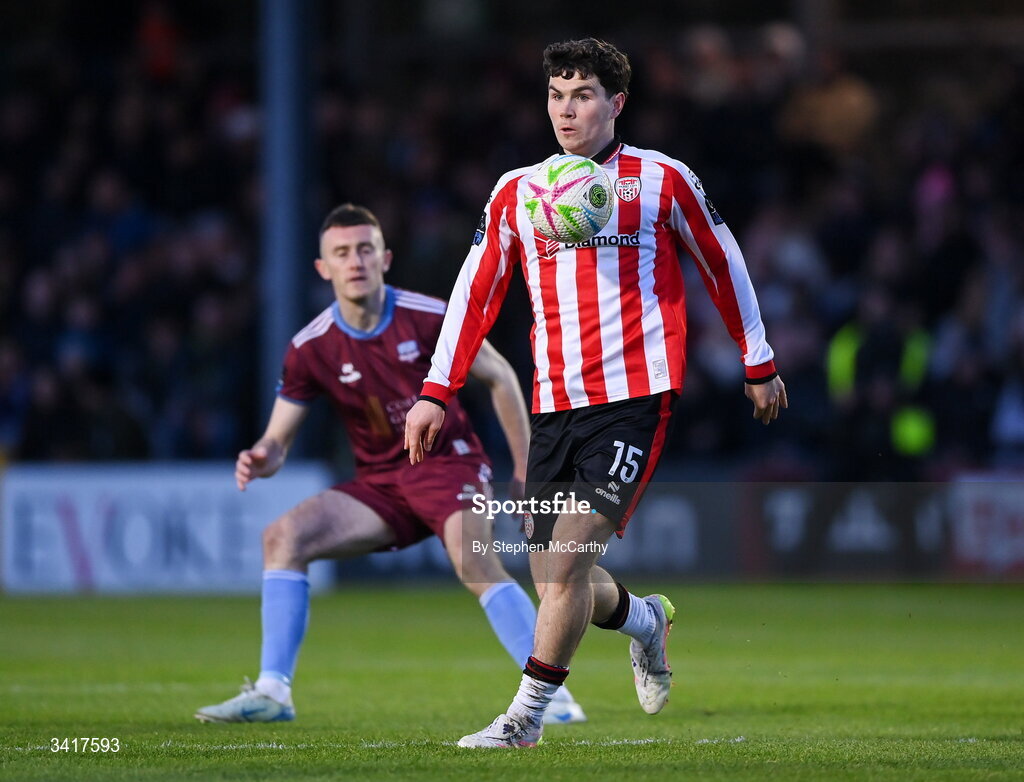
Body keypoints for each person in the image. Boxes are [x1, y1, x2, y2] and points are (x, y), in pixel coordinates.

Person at [405, 38, 787, 748]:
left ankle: (524, 718)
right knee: (557, 575)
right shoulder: (519, 190)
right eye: (555, 95)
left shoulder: (661, 180)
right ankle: (646, 620)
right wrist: (437, 388)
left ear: (617, 103)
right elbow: (475, 290)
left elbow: (721, 258)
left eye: (581, 96)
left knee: (569, 561)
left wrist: (756, 357)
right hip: (556, 403)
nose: (565, 109)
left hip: (635, 399)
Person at [195, 204, 584, 724]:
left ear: (385, 259)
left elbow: (501, 378)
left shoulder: (429, 316)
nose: (354, 261)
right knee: (282, 538)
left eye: (364, 250)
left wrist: (525, 469)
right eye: (341, 253)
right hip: (382, 484)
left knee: (474, 560)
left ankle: (551, 696)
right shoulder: (311, 349)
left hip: (452, 465)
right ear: (323, 268)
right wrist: (262, 455)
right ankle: (272, 692)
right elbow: (276, 441)